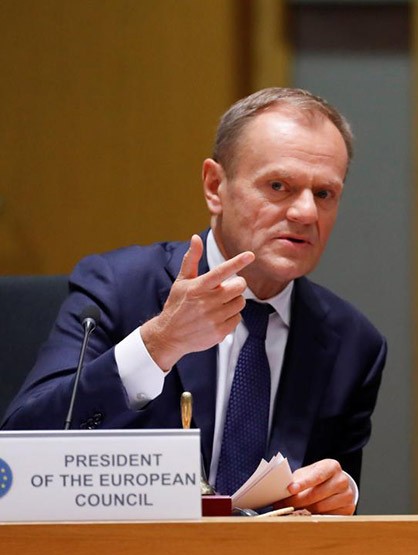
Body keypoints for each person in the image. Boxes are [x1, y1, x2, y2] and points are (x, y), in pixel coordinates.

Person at [2, 88, 387, 515]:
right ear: (214, 187)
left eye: (324, 194)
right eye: (279, 186)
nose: (305, 213)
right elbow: (18, 450)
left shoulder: (353, 345)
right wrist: (157, 345)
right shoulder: (120, 288)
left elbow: (331, 495)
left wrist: (340, 491)